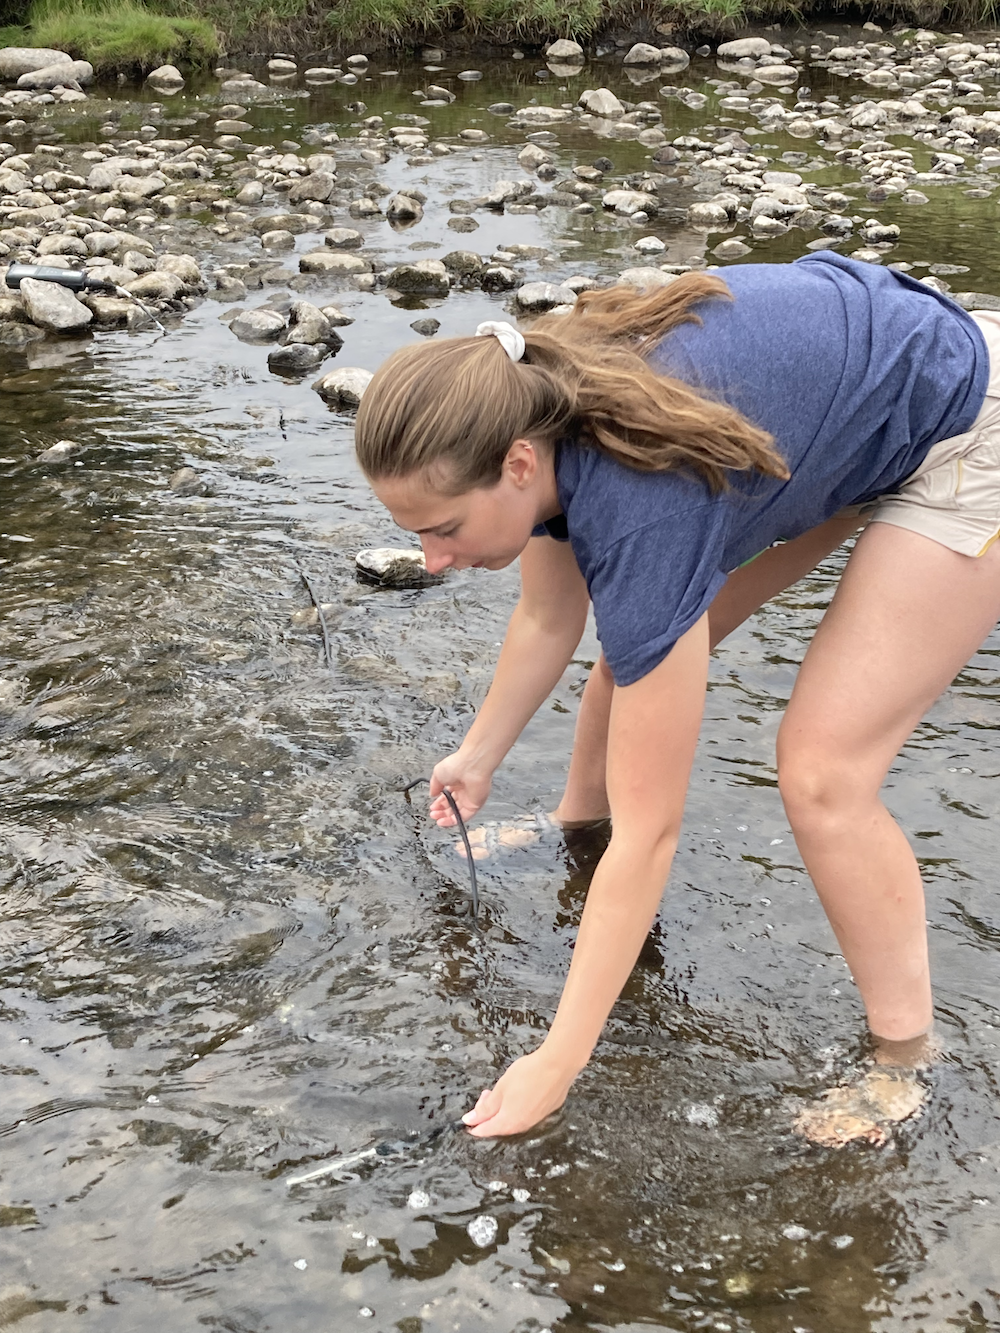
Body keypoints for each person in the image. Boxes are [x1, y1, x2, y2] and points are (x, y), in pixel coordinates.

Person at [354, 252, 1000, 1143]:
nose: (432, 559)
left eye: (444, 529)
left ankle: (905, 1056)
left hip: (965, 430)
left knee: (822, 774)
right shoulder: (536, 410)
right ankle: (575, 829)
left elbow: (655, 833)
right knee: (634, 661)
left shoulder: (639, 503)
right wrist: (478, 754)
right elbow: (549, 617)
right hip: (864, 394)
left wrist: (559, 1057)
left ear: (513, 465)